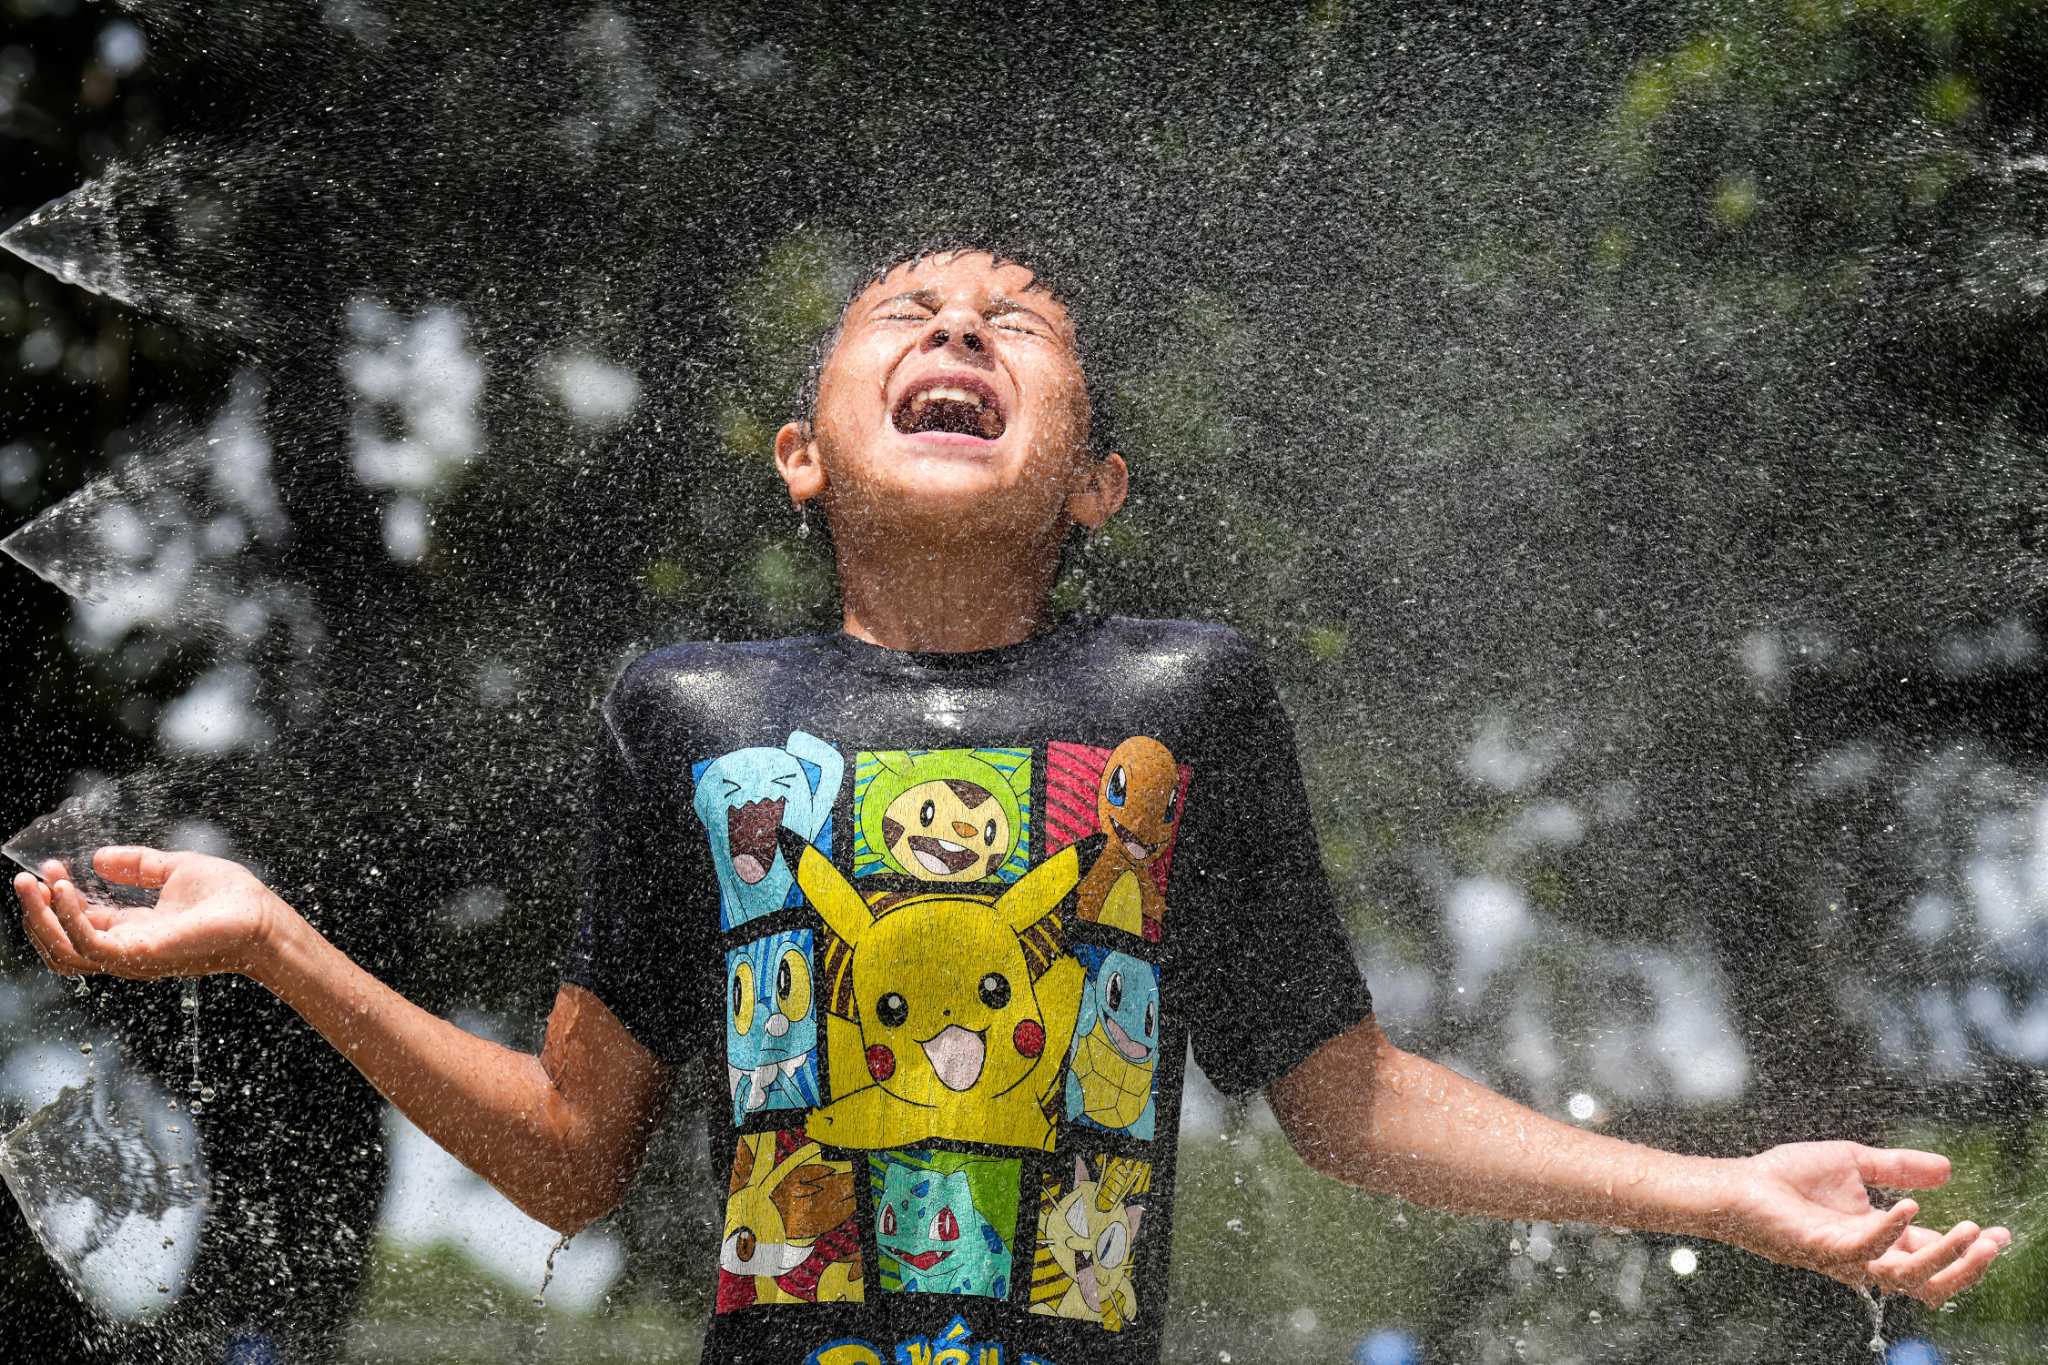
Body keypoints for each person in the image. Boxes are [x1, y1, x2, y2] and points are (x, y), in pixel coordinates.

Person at [13, 247, 2009, 1365]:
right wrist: (273, 938)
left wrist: (1721, 1189)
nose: (958, 324)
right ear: (801, 454)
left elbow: (1347, 1099)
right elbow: (561, 1151)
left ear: (1097, 486)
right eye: (905, 311)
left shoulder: (1177, 699)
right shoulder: (688, 712)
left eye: (1019, 320)